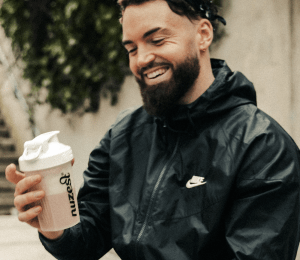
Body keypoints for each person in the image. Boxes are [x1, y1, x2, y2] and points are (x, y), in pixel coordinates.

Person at [5, 0, 300, 259]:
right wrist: (52, 221)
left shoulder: (263, 148)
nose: (142, 59)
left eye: (157, 40)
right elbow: (86, 241)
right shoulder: (123, 135)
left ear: (203, 34)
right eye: (132, 48)